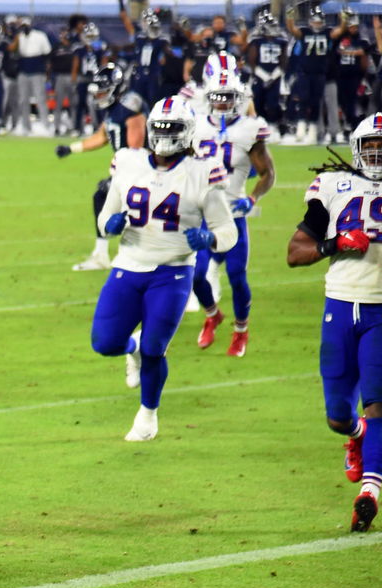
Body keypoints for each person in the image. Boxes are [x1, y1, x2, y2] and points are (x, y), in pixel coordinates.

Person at [286, 112, 382, 532]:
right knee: (338, 415)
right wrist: (335, 243)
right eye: (369, 146)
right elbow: (295, 252)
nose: (376, 153)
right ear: (357, 149)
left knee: (379, 404)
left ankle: (368, 494)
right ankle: (354, 436)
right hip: (339, 307)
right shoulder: (334, 186)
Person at [92, 96, 237, 441]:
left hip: (172, 271)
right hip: (128, 265)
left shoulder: (201, 172)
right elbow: (104, 217)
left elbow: (228, 231)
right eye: (160, 127)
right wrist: (109, 225)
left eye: (172, 128)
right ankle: (133, 349)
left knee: (156, 346)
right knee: (105, 342)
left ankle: (148, 415)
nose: (165, 135)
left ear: (187, 133)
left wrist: (210, 239)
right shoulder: (128, 162)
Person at [191, 52, 276, 357]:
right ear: (209, 96)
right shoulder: (195, 124)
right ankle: (213, 315)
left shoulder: (250, 129)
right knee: (197, 276)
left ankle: (241, 331)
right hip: (201, 213)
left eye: (229, 97)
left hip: (232, 215)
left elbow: (268, 173)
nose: (223, 102)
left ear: (239, 97)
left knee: (237, 276)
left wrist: (252, 198)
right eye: (218, 96)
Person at [57, 63, 148, 271]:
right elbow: (102, 136)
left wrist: (122, 176)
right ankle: (102, 254)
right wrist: (72, 148)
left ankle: (134, 258)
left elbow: (136, 147)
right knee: (102, 198)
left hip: (141, 170)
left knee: (133, 211)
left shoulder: (130, 107)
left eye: (103, 91)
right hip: (126, 168)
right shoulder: (114, 107)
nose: (99, 96)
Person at [286, 5, 335, 144]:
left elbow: (339, 32)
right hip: (305, 72)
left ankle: (312, 129)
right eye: (315, 21)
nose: (317, 24)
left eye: (319, 21)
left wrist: (344, 21)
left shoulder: (327, 33)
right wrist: (290, 18)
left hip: (319, 73)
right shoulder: (304, 32)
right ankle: (301, 127)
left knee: (315, 102)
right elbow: (292, 30)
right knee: (303, 99)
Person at [245, 9, 288, 130]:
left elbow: (284, 61)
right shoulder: (256, 40)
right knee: (257, 102)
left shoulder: (281, 40)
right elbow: (251, 61)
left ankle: (273, 127)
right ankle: (258, 127)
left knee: (274, 104)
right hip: (259, 76)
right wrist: (264, 76)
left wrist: (273, 76)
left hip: (276, 76)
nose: (272, 28)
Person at [121, 7, 167, 108]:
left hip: (153, 76)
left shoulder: (161, 40)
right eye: (145, 21)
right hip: (139, 74)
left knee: (152, 101)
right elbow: (127, 23)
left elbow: (164, 59)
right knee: (136, 101)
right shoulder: (139, 37)